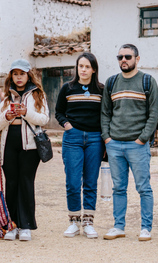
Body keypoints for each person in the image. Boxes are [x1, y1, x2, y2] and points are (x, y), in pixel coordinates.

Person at [101, 44, 158, 241]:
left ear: (137, 58)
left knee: (143, 187)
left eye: (127, 56)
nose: (123, 60)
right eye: (120, 57)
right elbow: (106, 113)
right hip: (114, 144)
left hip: (138, 145)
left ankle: (145, 228)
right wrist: (107, 138)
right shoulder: (111, 83)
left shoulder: (147, 81)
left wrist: (142, 138)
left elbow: (154, 114)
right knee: (118, 188)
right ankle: (118, 226)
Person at [55, 52, 104, 239]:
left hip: (94, 138)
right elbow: (59, 112)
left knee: (90, 182)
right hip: (72, 138)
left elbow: (105, 113)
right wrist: (67, 126)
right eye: (80, 66)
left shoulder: (101, 89)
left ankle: (88, 223)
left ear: (93, 69)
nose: (83, 70)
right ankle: (74, 222)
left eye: (87, 66)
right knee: (73, 182)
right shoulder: (67, 88)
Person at [0, 59, 49, 241]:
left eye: (22, 73)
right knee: (11, 183)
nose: (19, 77)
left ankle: (25, 226)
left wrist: (25, 112)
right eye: (15, 74)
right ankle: (11, 225)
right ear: (11, 76)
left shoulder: (38, 95)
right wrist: (7, 115)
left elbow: (44, 119)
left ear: (28, 74)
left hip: (30, 145)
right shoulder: (6, 96)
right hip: (8, 144)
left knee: (26, 182)